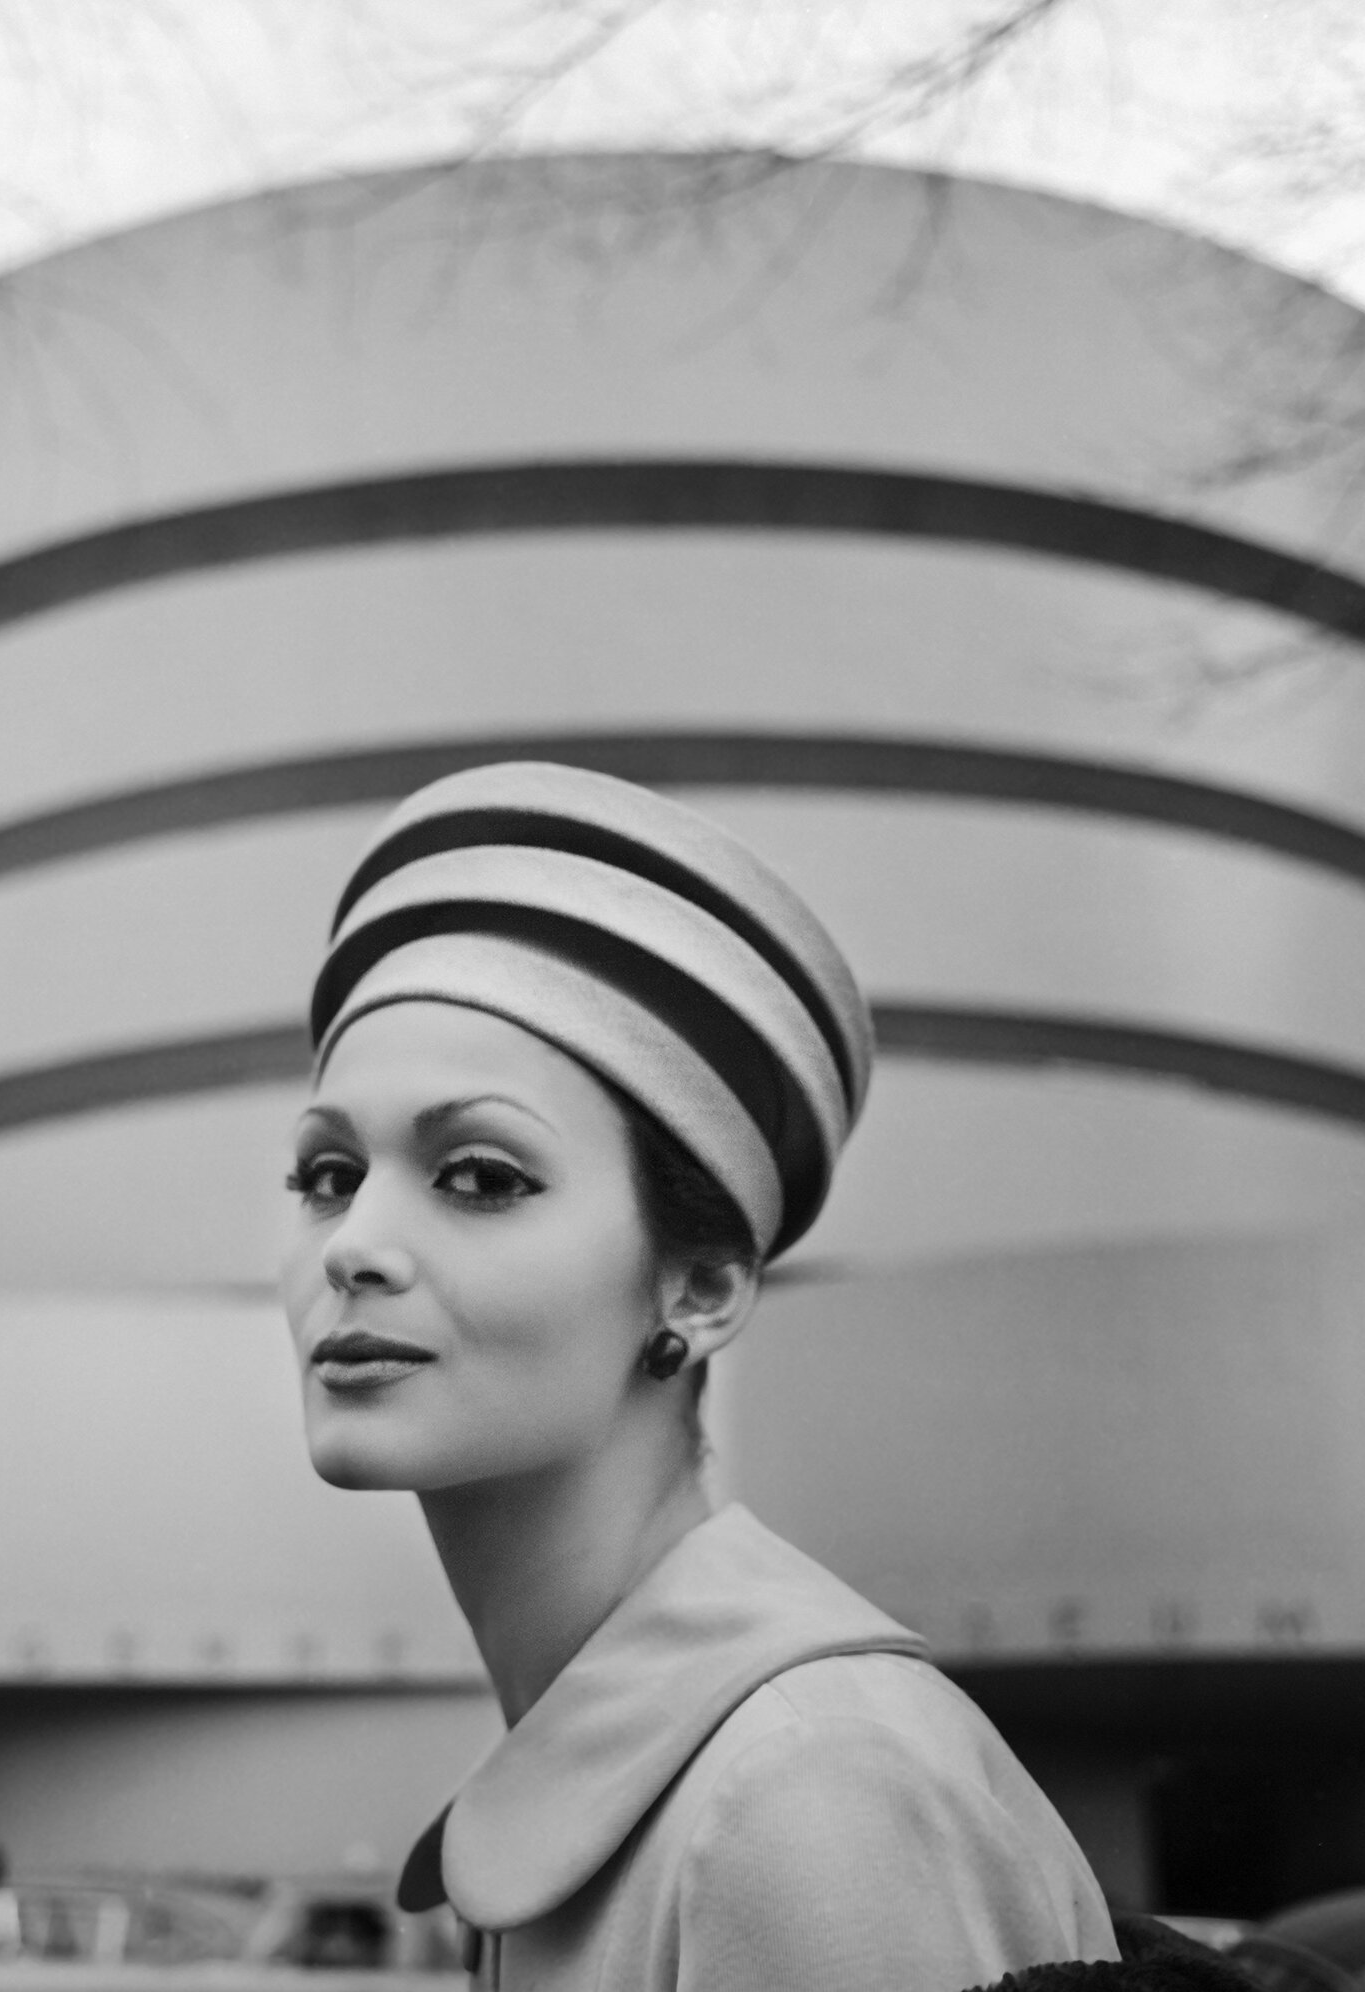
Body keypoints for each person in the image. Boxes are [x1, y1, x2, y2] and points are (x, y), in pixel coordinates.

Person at [281, 762, 1118, 1992]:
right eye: (327, 1175)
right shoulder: (709, 1768)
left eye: (482, 1176)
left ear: (703, 1288)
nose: (352, 1245)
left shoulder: (803, 1798)